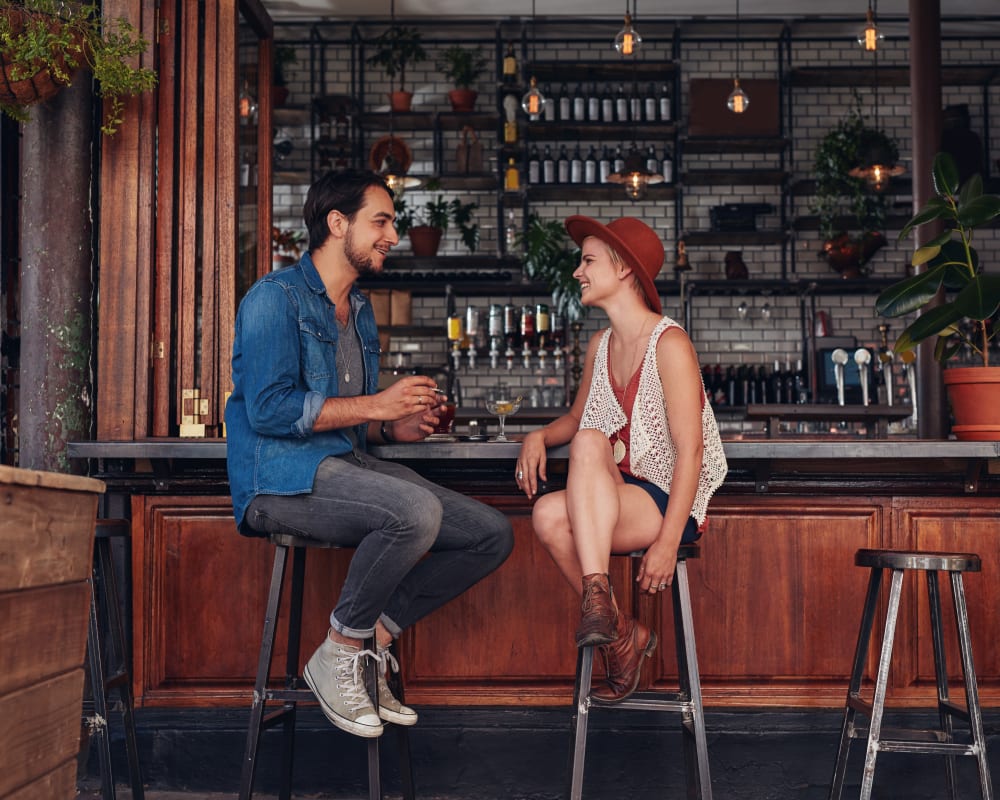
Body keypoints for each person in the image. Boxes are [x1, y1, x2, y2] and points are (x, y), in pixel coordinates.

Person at [225, 169, 514, 738]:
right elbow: (269, 411)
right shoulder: (273, 299)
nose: (392, 235)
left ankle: (369, 643)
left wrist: (394, 427)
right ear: (338, 224)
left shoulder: (358, 311)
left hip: (344, 467)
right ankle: (337, 651)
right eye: (380, 221)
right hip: (277, 481)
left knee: (491, 533)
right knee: (413, 512)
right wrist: (376, 407)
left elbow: (354, 421)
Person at [515, 215, 727, 702]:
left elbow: (691, 452)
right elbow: (575, 418)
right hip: (622, 493)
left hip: (669, 499)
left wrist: (669, 543)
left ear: (624, 270)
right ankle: (619, 625)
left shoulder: (670, 344)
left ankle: (608, 620)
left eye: (587, 261)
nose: (577, 272)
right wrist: (538, 436)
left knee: (588, 446)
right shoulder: (601, 345)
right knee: (547, 510)